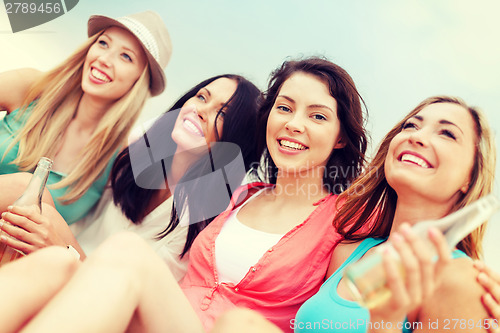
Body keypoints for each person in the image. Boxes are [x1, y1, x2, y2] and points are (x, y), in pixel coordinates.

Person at [0, 57, 368, 333]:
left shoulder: (343, 221)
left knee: (123, 253)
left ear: (341, 136)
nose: (293, 123)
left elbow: (343, 309)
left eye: (317, 116)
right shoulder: (243, 197)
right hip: (162, 319)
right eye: (284, 108)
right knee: (56, 261)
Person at [0, 74, 262, 277]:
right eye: (202, 97)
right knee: (29, 189)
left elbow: (129, 298)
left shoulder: (204, 223)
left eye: (223, 113)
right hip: (47, 263)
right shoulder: (135, 160)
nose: (201, 110)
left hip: (93, 301)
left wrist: (64, 248)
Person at [294, 96, 498, 332]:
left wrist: (385, 322)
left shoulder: (460, 280)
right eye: (411, 125)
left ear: (469, 177)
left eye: (447, 134)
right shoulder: (348, 252)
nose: (416, 137)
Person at [0, 11, 172, 225]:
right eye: (103, 43)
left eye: (126, 56)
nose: (104, 59)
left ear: (140, 81)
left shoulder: (118, 158)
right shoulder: (30, 87)